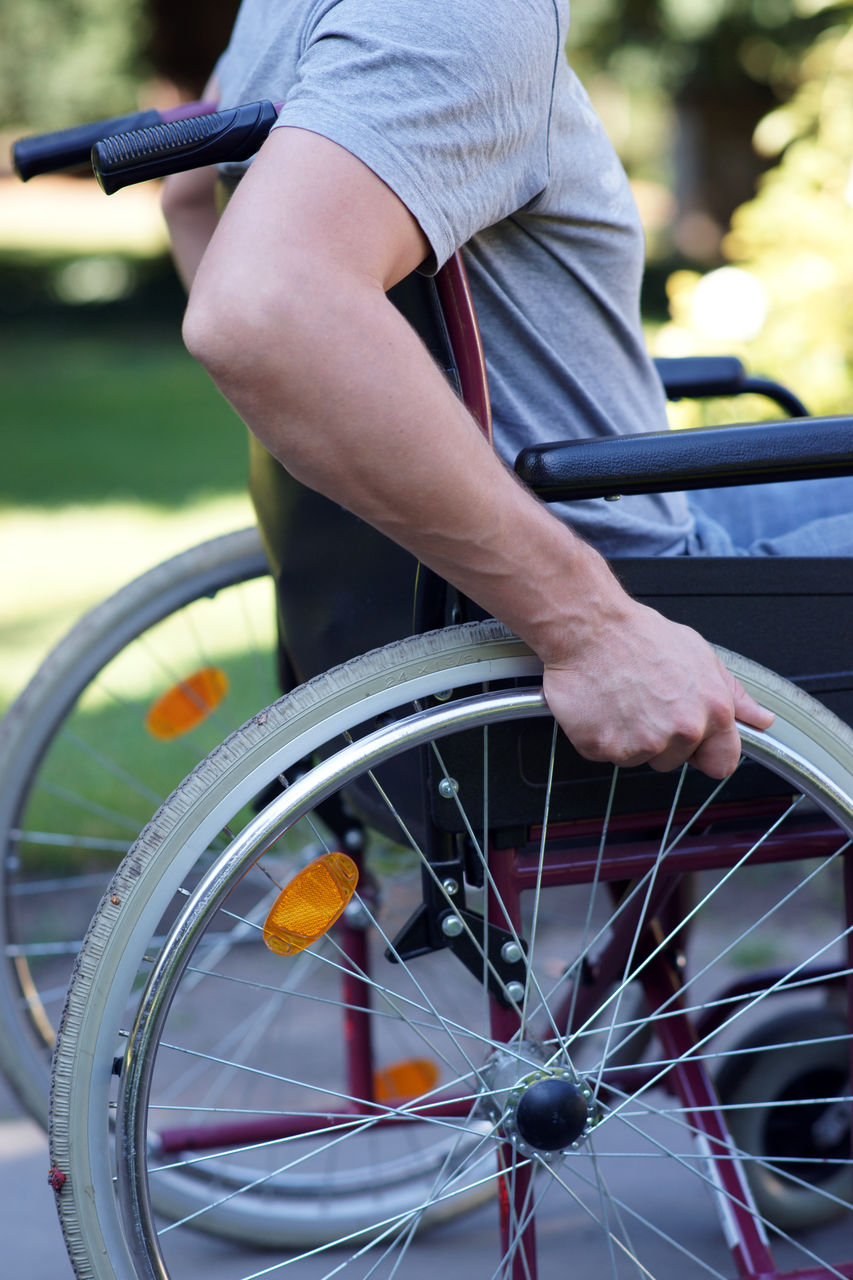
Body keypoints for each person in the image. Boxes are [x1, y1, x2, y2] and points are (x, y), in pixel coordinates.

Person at [163, 0, 783, 780]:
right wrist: (591, 629)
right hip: (630, 579)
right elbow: (265, 311)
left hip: (411, 596)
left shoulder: (278, 12)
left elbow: (187, 192)